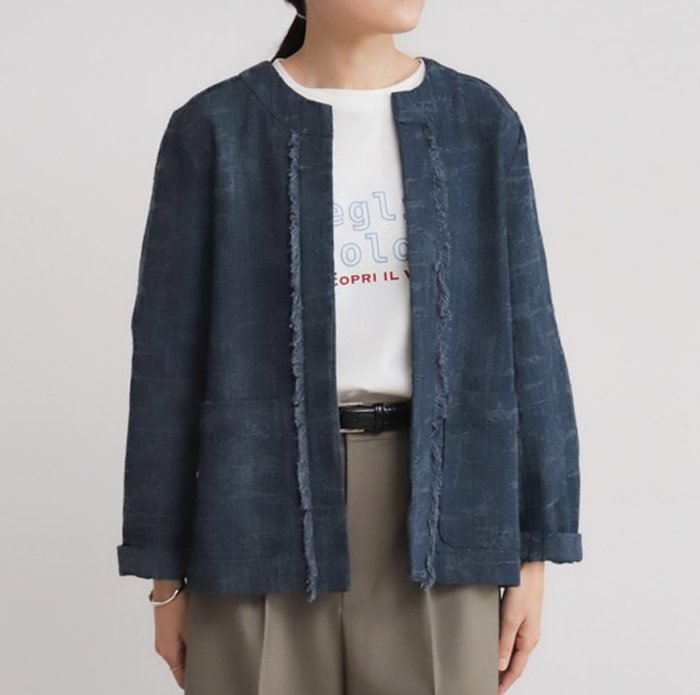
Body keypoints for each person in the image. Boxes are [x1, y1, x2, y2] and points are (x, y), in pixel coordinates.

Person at [116, 1, 583, 694]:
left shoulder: (480, 122)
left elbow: (530, 339)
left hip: (445, 515)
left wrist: (534, 554)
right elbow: (165, 361)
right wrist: (164, 578)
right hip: (253, 509)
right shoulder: (215, 128)